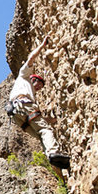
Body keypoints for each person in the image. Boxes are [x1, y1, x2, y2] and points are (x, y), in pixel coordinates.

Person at [8, 36, 71, 170]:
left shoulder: (27, 89)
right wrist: (42, 45)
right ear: (33, 79)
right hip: (23, 104)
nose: (38, 88)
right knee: (45, 130)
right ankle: (53, 153)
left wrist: (52, 120)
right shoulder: (24, 75)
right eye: (38, 84)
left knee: (42, 135)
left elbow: (37, 119)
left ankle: (55, 163)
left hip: (17, 114)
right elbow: (31, 58)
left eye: (40, 87)